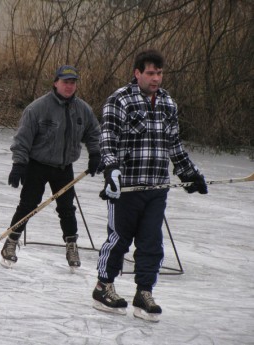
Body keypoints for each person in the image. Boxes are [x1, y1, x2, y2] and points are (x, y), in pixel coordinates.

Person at [92, 50, 208, 322]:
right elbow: (107, 139)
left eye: (159, 73)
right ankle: (103, 286)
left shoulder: (168, 102)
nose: (156, 78)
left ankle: (144, 292)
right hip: (126, 187)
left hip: (157, 187)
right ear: (137, 73)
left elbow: (174, 145)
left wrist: (189, 173)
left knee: (151, 243)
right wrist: (111, 170)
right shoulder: (119, 100)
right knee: (119, 238)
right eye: (150, 73)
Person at [0, 65, 102, 269]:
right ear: (56, 83)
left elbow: (94, 133)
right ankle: (11, 242)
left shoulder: (83, 109)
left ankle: (71, 244)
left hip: (64, 168)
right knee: (28, 205)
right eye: (65, 82)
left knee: (67, 208)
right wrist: (19, 164)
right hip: (37, 165)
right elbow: (22, 139)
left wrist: (96, 154)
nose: (69, 86)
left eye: (73, 82)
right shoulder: (38, 108)